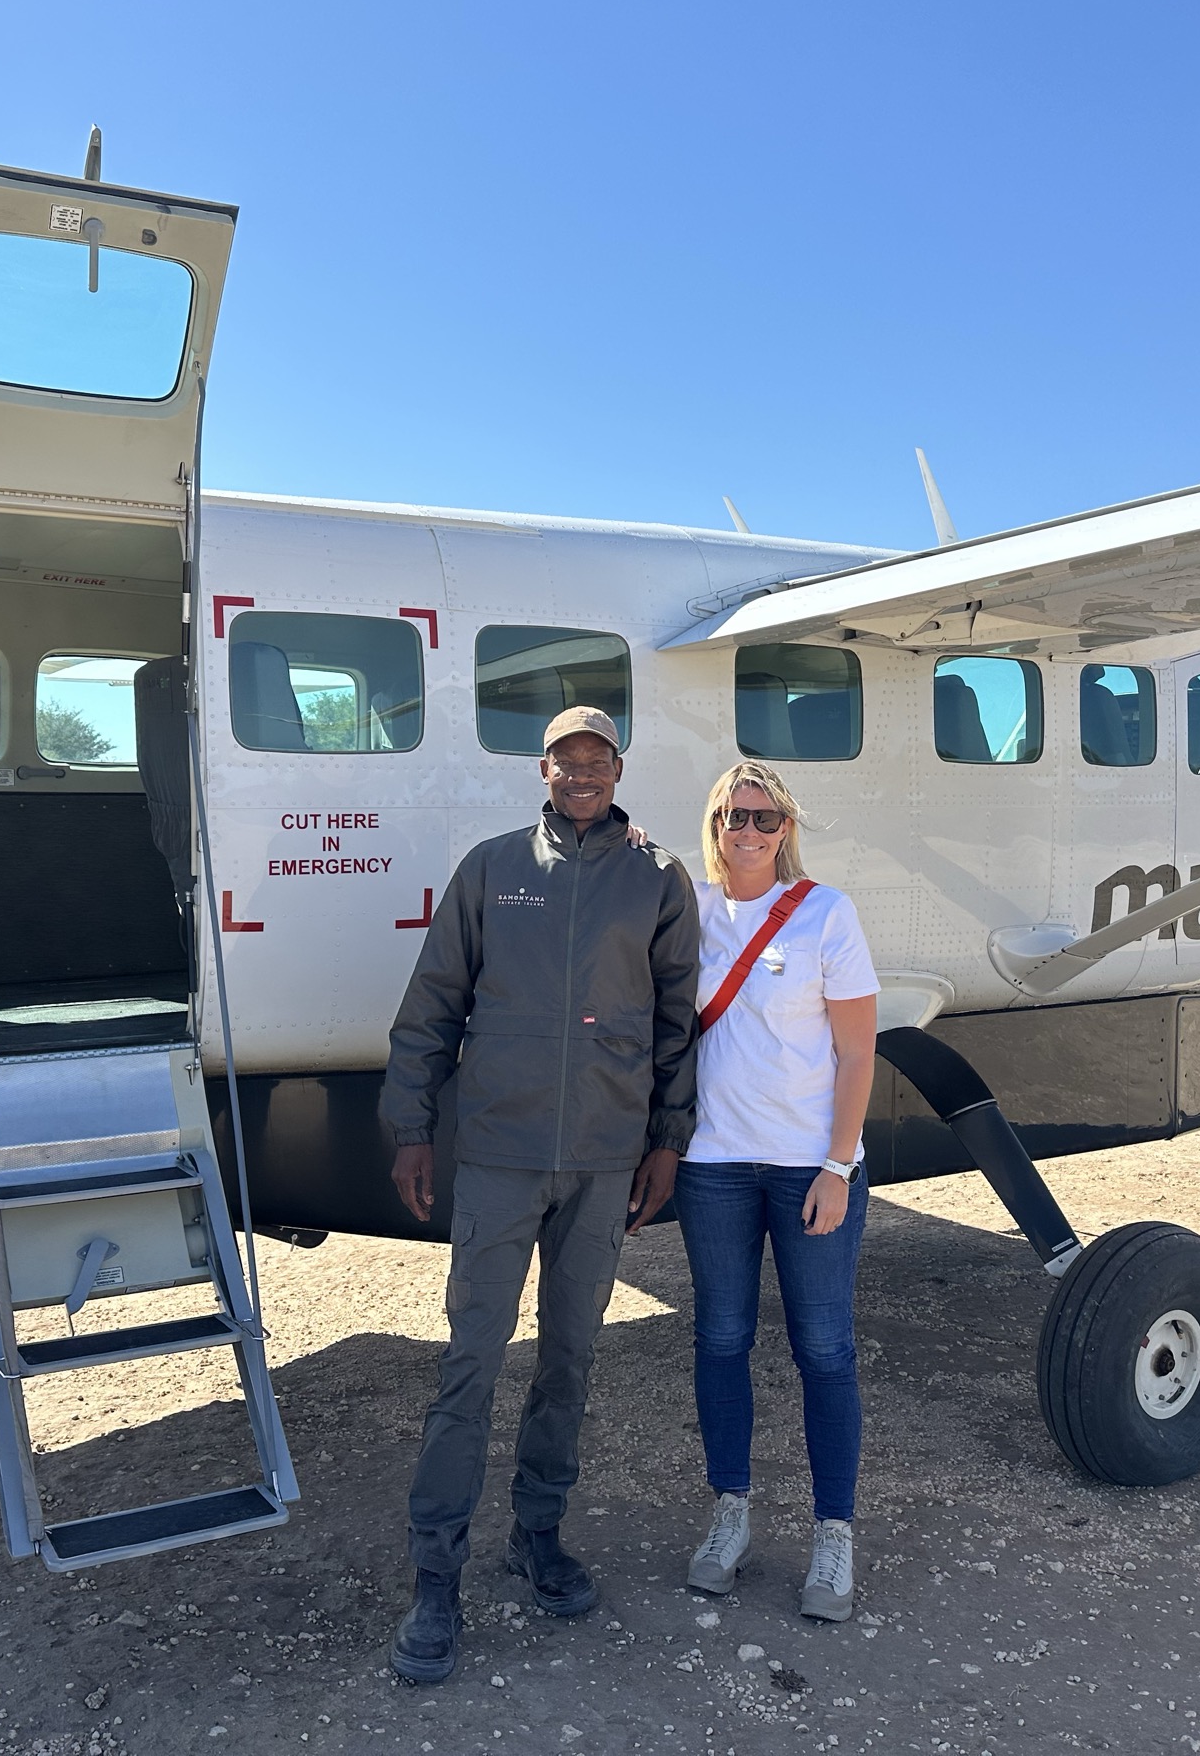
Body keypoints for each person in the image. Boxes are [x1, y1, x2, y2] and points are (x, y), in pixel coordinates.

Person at [380, 705, 700, 1684]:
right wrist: (409, 1126)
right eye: (568, 760)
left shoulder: (656, 876)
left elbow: (676, 1017)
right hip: (502, 1157)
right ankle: (437, 1575)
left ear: (617, 767)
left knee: (571, 1359)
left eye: (599, 759)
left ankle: (538, 1534)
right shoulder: (491, 870)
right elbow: (433, 1002)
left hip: (603, 1164)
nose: (584, 773)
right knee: (470, 1364)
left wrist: (666, 1143)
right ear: (544, 769)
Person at [675, 759, 879, 1622]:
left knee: (823, 1349)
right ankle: (732, 1514)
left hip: (807, 1166)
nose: (747, 832)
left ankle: (834, 1532)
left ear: (785, 829)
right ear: (713, 823)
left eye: (763, 819)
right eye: (732, 816)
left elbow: (860, 1052)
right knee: (721, 1338)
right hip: (714, 1163)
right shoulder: (686, 913)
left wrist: (838, 1165)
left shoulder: (827, 913)